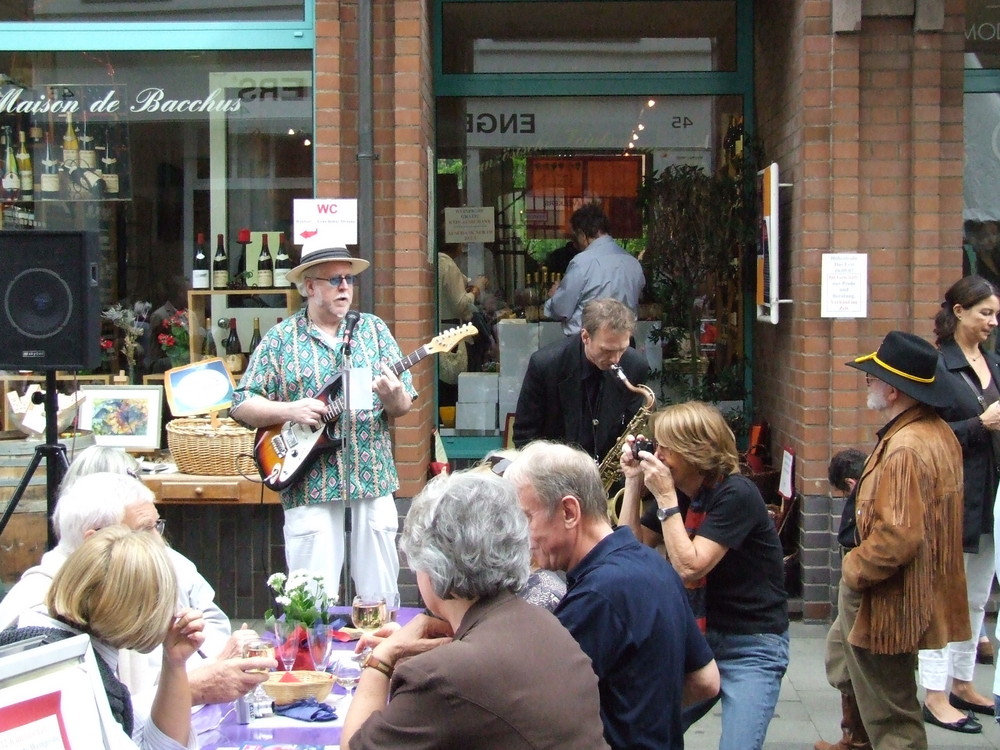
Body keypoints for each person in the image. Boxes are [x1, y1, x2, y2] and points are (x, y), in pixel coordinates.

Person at [340, 470, 610, 750]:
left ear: (433, 568)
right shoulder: (546, 624)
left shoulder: (441, 676)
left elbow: (353, 746)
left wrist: (382, 660)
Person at [0, 463, 273, 708]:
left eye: (158, 527)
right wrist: (190, 690)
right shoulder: (43, 616)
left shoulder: (119, 585)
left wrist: (211, 664)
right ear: (96, 540)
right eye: (145, 530)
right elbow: (97, 724)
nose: (161, 545)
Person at [232, 238, 416, 601]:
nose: (345, 287)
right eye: (335, 280)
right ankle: (311, 656)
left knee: (380, 594)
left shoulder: (373, 331)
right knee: (310, 599)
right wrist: (290, 410)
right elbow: (240, 404)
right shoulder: (281, 340)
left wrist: (394, 396)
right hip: (309, 482)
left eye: (349, 280)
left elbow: (402, 405)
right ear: (310, 286)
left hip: (371, 476)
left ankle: (381, 656)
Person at [503, 441, 719, 750]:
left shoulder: (598, 596)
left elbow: (529, 707)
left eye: (526, 518)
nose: (521, 535)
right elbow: (706, 681)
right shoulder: (654, 566)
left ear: (568, 511)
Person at [618, 401, 789, 750]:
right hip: (698, 641)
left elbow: (691, 565)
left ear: (694, 451)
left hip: (751, 645)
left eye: (666, 446)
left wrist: (665, 497)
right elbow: (628, 550)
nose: (658, 454)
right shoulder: (680, 493)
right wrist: (634, 483)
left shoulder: (737, 494)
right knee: (640, 729)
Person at [828, 330, 969, 748]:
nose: (867, 384)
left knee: (893, 716)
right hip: (894, 593)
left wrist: (854, 569)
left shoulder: (907, 445)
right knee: (844, 666)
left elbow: (899, 536)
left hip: (886, 597)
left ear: (892, 391)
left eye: (872, 379)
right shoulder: (932, 431)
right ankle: (854, 739)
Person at [8, 525, 205, 750]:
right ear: (140, 613)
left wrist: (174, 662)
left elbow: (156, 746)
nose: (175, 612)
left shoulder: (32, 638)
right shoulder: (75, 676)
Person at [917, 275, 1000, 730]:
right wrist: (981, 424)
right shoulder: (937, 366)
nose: (992, 321)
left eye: (995, 314)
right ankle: (934, 693)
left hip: (991, 496)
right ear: (958, 312)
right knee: (942, 595)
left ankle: (962, 681)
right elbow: (925, 437)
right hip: (952, 496)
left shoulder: (994, 364)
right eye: (985, 312)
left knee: (977, 595)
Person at [513, 298, 649, 464]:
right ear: (585, 336)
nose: (616, 359)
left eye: (622, 349)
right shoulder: (545, 365)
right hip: (556, 474)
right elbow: (525, 438)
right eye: (607, 350)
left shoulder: (635, 366)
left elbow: (629, 429)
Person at [815, 448, 869, 750]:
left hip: (862, 590)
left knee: (849, 660)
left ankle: (857, 740)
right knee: (839, 655)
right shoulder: (866, 495)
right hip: (855, 588)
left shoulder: (864, 502)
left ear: (849, 484)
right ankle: (853, 736)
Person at [543, 202, 644, 336]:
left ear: (582, 235)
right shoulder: (633, 263)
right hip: (623, 343)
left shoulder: (582, 262)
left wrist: (555, 296)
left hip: (590, 345)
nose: (574, 244)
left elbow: (561, 310)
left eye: (575, 237)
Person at [437, 242, 488, 405]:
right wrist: (476, 290)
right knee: (455, 391)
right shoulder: (447, 265)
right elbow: (460, 306)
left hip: (442, 331)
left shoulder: (436, 262)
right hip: (452, 336)